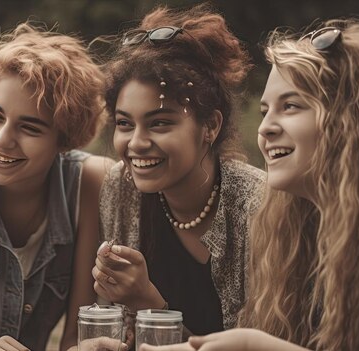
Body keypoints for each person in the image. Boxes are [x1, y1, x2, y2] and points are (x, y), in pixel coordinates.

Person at [139, 19, 359, 351]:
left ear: (351, 118)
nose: (265, 129)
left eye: (290, 106)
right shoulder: (304, 224)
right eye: (265, 111)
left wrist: (254, 346)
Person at [93, 3, 265, 340]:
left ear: (210, 126)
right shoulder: (120, 187)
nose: (136, 143)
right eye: (125, 124)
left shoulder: (257, 207)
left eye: (159, 123)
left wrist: (148, 303)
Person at [0, 23, 113, 351]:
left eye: (29, 127)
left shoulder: (89, 183)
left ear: (64, 140)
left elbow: (80, 331)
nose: (3, 139)